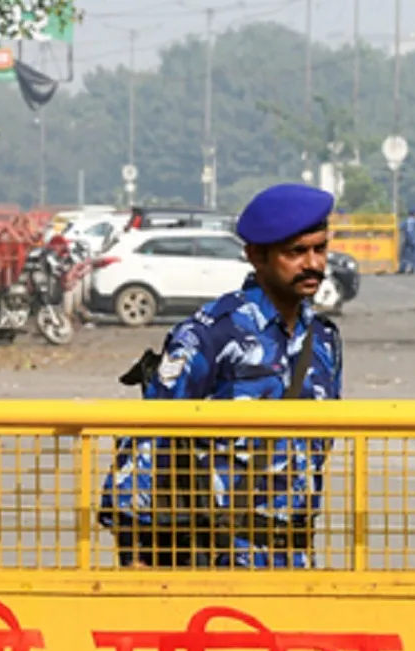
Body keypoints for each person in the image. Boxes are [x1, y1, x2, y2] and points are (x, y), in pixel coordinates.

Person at [98, 182, 344, 570]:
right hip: (214, 560)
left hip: (293, 558)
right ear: (256, 257)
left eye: (320, 249)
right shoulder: (211, 334)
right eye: (296, 252)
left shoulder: (323, 341)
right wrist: (138, 553)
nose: (313, 264)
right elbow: (149, 437)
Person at [397, 209, 415, 274]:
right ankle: (412, 269)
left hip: (407, 240)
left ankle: (402, 269)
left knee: (405, 255)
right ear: (414, 214)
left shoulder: (406, 221)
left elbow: (400, 227)